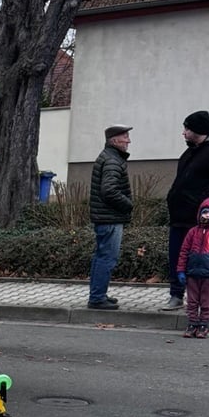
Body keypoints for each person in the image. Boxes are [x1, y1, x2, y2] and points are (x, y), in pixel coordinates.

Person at [162, 110, 209, 310]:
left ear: (198, 130)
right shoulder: (191, 150)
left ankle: (201, 297)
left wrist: (202, 202)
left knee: (200, 257)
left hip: (198, 217)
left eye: (187, 129)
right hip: (179, 214)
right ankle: (176, 294)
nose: (183, 133)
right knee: (176, 255)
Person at [87, 124, 134, 310]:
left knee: (101, 257)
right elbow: (109, 190)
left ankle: (98, 294)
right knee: (107, 258)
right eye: (125, 137)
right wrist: (128, 204)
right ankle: (97, 298)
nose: (129, 140)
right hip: (110, 218)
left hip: (105, 218)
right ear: (114, 140)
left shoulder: (109, 157)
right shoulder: (113, 160)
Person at [176, 197, 209, 338]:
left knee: (206, 301)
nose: (207, 215)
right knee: (192, 301)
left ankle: (203, 325)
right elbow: (184, 252)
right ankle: (192, 323)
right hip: (192, 273)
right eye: (204, 212)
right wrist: (181, 270)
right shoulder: (193, 232)